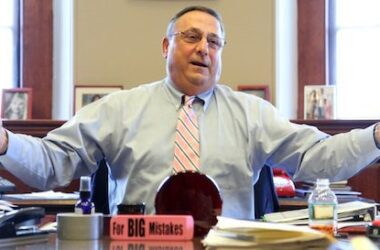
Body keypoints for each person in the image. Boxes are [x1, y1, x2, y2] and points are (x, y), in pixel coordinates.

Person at [0, 6, 379, 220]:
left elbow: (320, 159)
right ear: (166, 46)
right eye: (191, 37)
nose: (204, 49)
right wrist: (4, 141)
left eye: (214, 42)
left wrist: (375, 136)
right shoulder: (118, 110)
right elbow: (51, 163)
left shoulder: (253, 115)